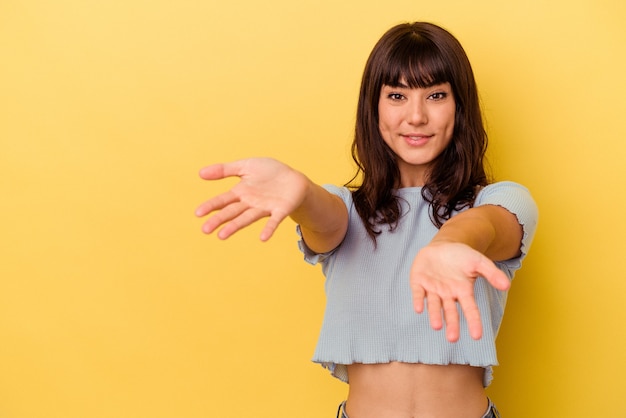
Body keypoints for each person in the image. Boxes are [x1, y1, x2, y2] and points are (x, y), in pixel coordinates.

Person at [195, 22, 538, 418]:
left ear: (460, 105)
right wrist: (302, 192)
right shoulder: (346, 211)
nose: (416, 116)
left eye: (436, 95)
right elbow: (325, 221)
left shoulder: (500, 200)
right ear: (373, 108)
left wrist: (449, 244)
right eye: (396, 95)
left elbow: (489, 226)